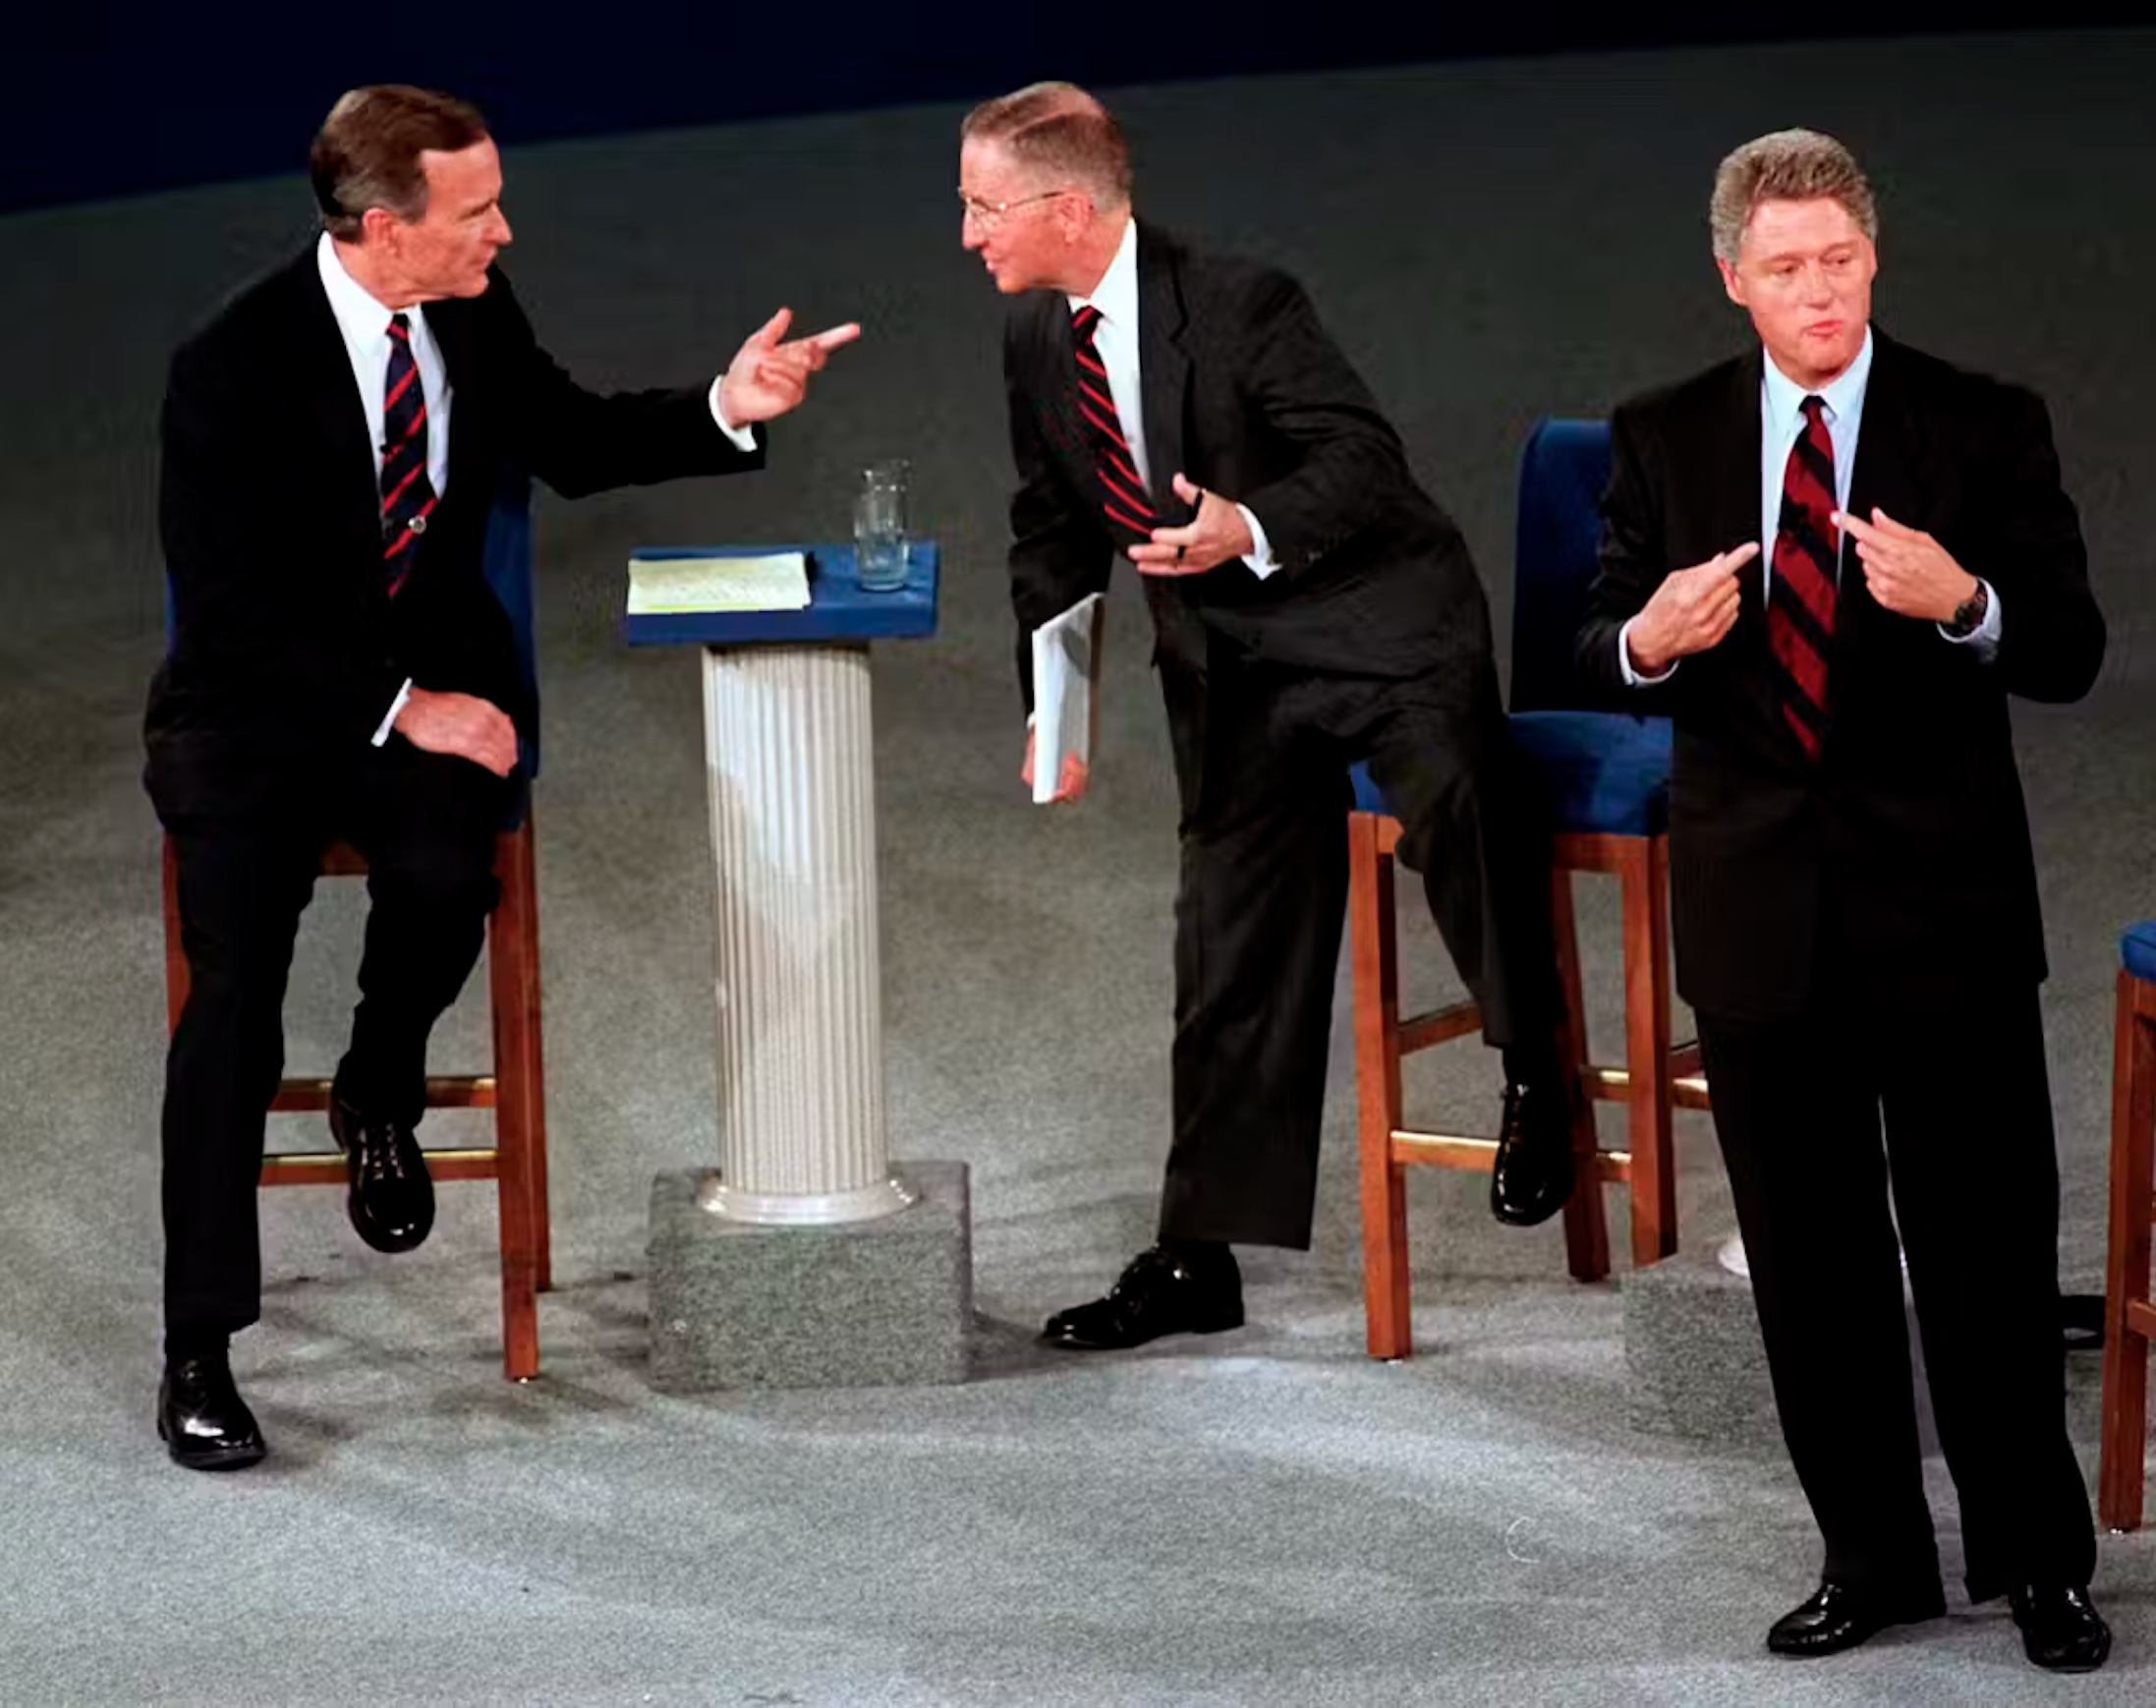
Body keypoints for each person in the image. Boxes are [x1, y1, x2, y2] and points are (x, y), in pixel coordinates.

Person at [148, 85, 856, 1471]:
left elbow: (573, 438)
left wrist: (728, 403)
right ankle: (199, 1344)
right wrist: (405, 707)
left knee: (443, 873)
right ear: (380, 225)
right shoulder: (227, 362)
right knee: (230, 997)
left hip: (433, 694)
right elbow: (231, 608)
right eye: (474, 212)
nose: (503, 231)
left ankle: (378, 1082)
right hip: (259, 719)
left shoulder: (469, 306)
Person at [1576, 129, 2108, 1672]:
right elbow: (1586, 637)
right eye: (1784, 267)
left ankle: (2034, 1561)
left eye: (1839, 261)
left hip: (1936, 901)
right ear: (1730, 276)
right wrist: (1651, 638)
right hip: (1756, 906)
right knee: (1808, 1261)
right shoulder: (1662, 435)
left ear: (1872, 259)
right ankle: (1868, 1557)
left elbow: (2066, 647)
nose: (1816, 291)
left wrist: (1968, 605)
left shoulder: (1980, 424)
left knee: (1986, 1250)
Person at [961, 82, 1575, 1353]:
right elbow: (1051, 527)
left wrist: (1243, 523)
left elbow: (1358, 459)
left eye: (979, 206)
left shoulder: (1240, 302)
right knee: (1227, 940)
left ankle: (1535, 1075)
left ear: (1066, 208)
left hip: (1375, 625)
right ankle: (1197, 1255)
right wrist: (1054, 704)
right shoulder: (1035, 340)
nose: (966, 234)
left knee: (1461, 797)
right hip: (1233, 665)